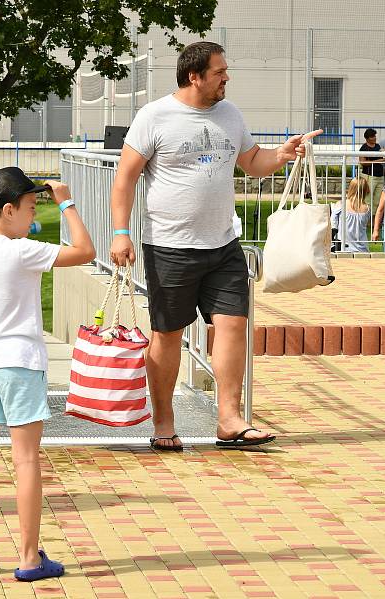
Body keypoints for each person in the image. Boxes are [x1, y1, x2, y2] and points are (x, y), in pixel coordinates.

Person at [109, 40, 320, 450]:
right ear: (195, 76)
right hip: (169, 245)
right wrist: (121, 232)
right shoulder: (154, 116)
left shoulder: (230, 114)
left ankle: (229, 419)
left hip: (223, 243)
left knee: (233, 324)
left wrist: (282, 154)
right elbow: (125, 178)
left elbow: (252, 161)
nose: (227, 77)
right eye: (220, 72)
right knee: (168, 334)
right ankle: (164, 422)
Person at [0, 168, 94, 580]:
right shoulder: (23, 250)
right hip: (21, 363)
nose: (34, 218)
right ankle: (30, 558)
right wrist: (65, 201)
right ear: (8, 210)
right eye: (31, 209)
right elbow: (85, 250)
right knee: (26, 459)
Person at [331, 177, 371, 252]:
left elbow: (333, 225)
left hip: (343, 248)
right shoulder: (367, 208)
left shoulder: (341, 204)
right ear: (366, 190)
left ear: (351, 188)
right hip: (362, 250)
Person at [358, 128, 385, 215]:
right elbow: (362, 162)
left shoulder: (378, 146)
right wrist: (378, 161)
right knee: (368, 199)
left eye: (375, 136)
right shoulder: (364, 148)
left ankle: (374, 219)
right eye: (372, 136)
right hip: (369, 176)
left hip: (380, 176)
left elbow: (383, 158)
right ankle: (366, 218)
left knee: (377, 200)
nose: (374, 138)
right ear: (367, 138)